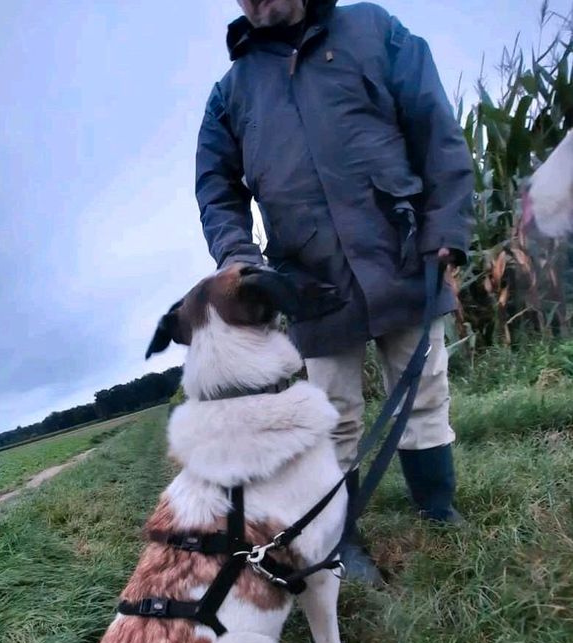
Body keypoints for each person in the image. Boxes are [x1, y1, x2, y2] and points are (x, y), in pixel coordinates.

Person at [195, 0, 475, 584]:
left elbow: (433, 124)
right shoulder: (230, 94)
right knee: (332, 416)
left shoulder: (373, 30)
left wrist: (445, 225)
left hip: (403, 252)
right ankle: (343, 539)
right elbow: (216, 187)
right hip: (309, 279)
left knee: (422, 390)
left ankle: (438, 508)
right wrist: (241, 260)